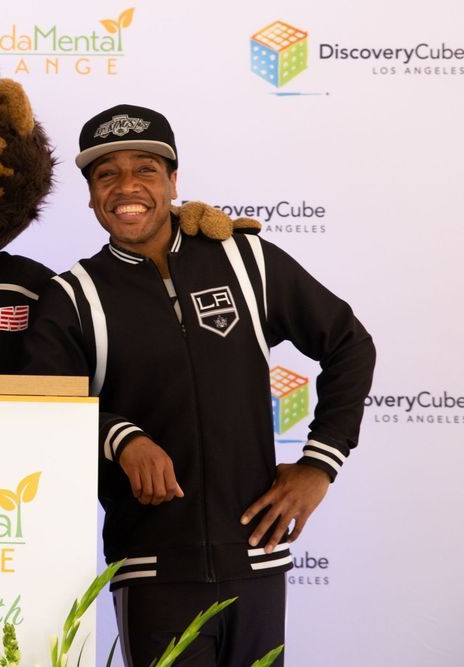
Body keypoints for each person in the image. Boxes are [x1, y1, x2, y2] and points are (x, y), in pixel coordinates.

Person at [22, 104, 375, 665]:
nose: (127, 186)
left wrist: (319, 464)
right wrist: (123, 438)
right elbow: (46, 404)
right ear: (90, 196)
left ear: (173, 182)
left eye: (146, 170)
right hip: (152, 567)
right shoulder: (72, 295)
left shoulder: (245, 258)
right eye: (106, 174)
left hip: (256, 559)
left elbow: (349, 344)